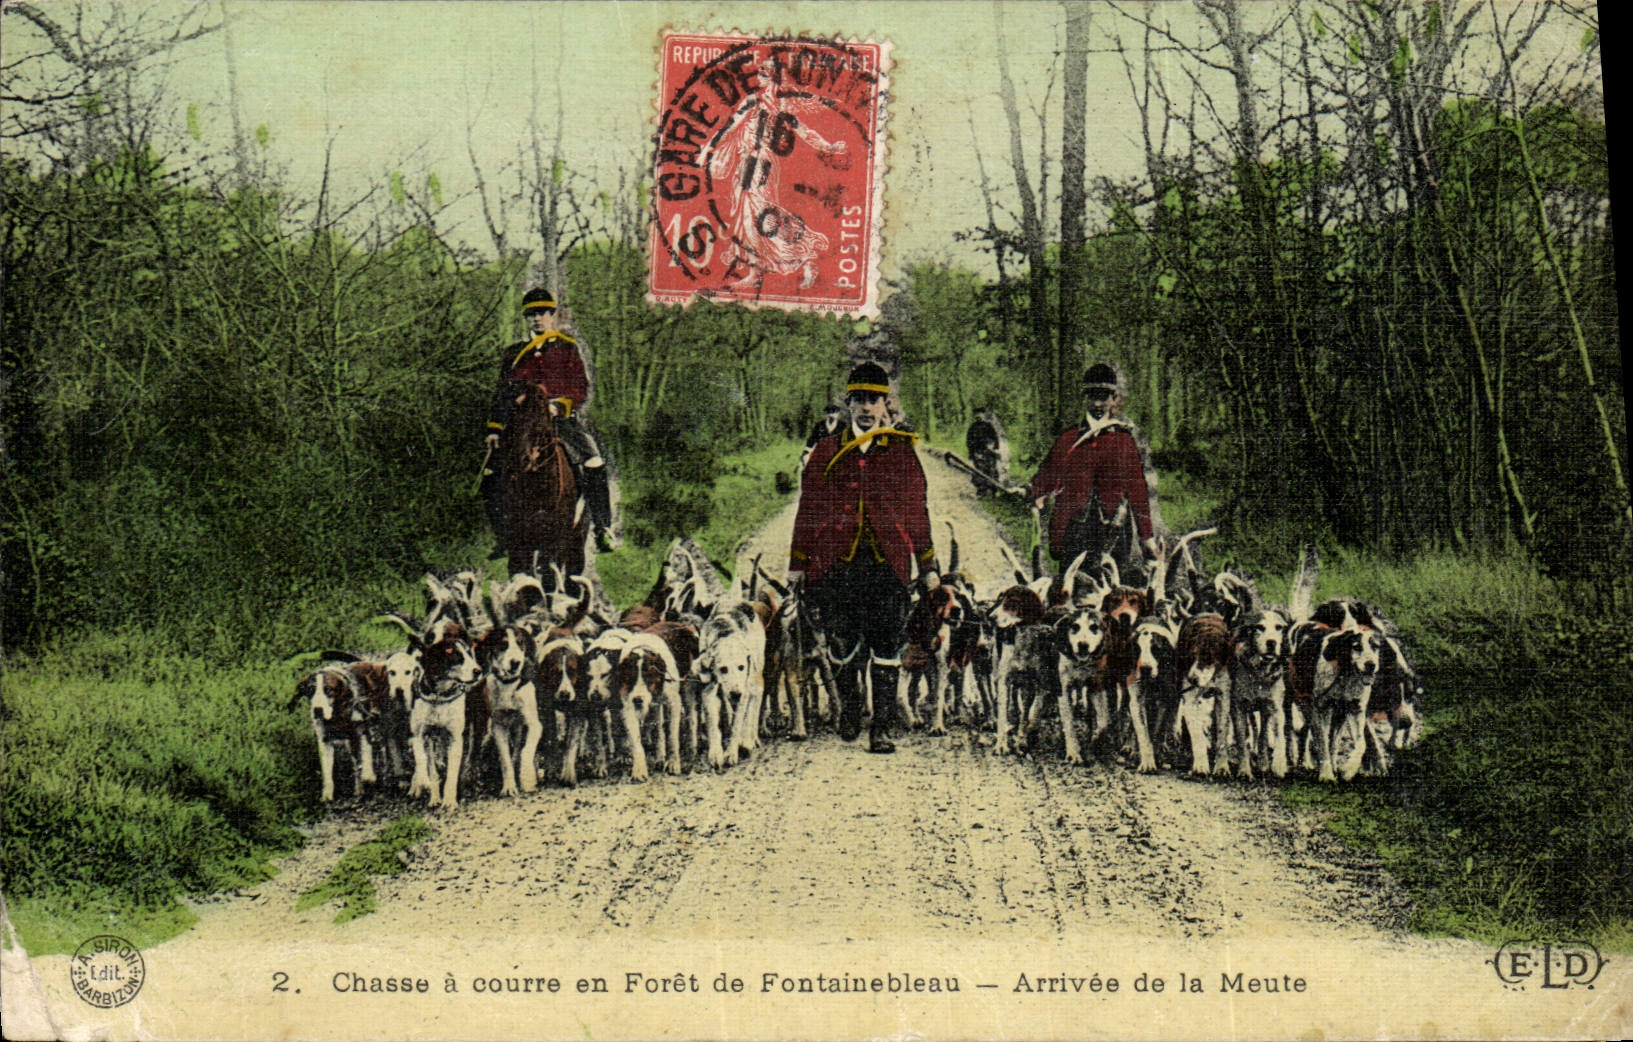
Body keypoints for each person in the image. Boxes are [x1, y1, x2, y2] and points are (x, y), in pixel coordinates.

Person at [788, 361, 936, 754]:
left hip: (887, 565)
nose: (866, 408)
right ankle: (851, 706)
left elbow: (916, 510)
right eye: (859, 400)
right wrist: (798, 564)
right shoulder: (825, 451)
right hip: (837, 565)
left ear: (886, 404)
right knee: (841, 642)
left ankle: (883, 726)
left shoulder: (902, 452)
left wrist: (928, 565)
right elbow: (809, 508)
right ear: (848, 403)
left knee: (887, 642)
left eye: (874, 400)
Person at [483, 287, 617, 556]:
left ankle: (603, 528)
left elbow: (580, 386)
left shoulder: (567, 348)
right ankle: (504, 535)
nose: (537, 319)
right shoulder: (514, 354)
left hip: (560, 421)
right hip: (521, 423)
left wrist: (562, 405)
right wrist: (495, 429)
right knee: (490, 472)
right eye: (531, 314)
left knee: (594, 460)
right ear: (526, 318)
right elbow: (501, 393)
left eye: (542, 314)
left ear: (552, 316)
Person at [1025, 361, 1159, 583]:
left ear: (1113, 399)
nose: (1097, 403)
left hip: (1114, 530)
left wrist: (1147, 538)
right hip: (1074, 529)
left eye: (1104, 397)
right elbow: (1047, 475)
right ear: (1085, 398)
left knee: (1111, 591)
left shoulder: (1124, 441)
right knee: (1071, 587)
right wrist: (1029, 490)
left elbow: (1137, 491)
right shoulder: (1069, 438)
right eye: (1092, 397)